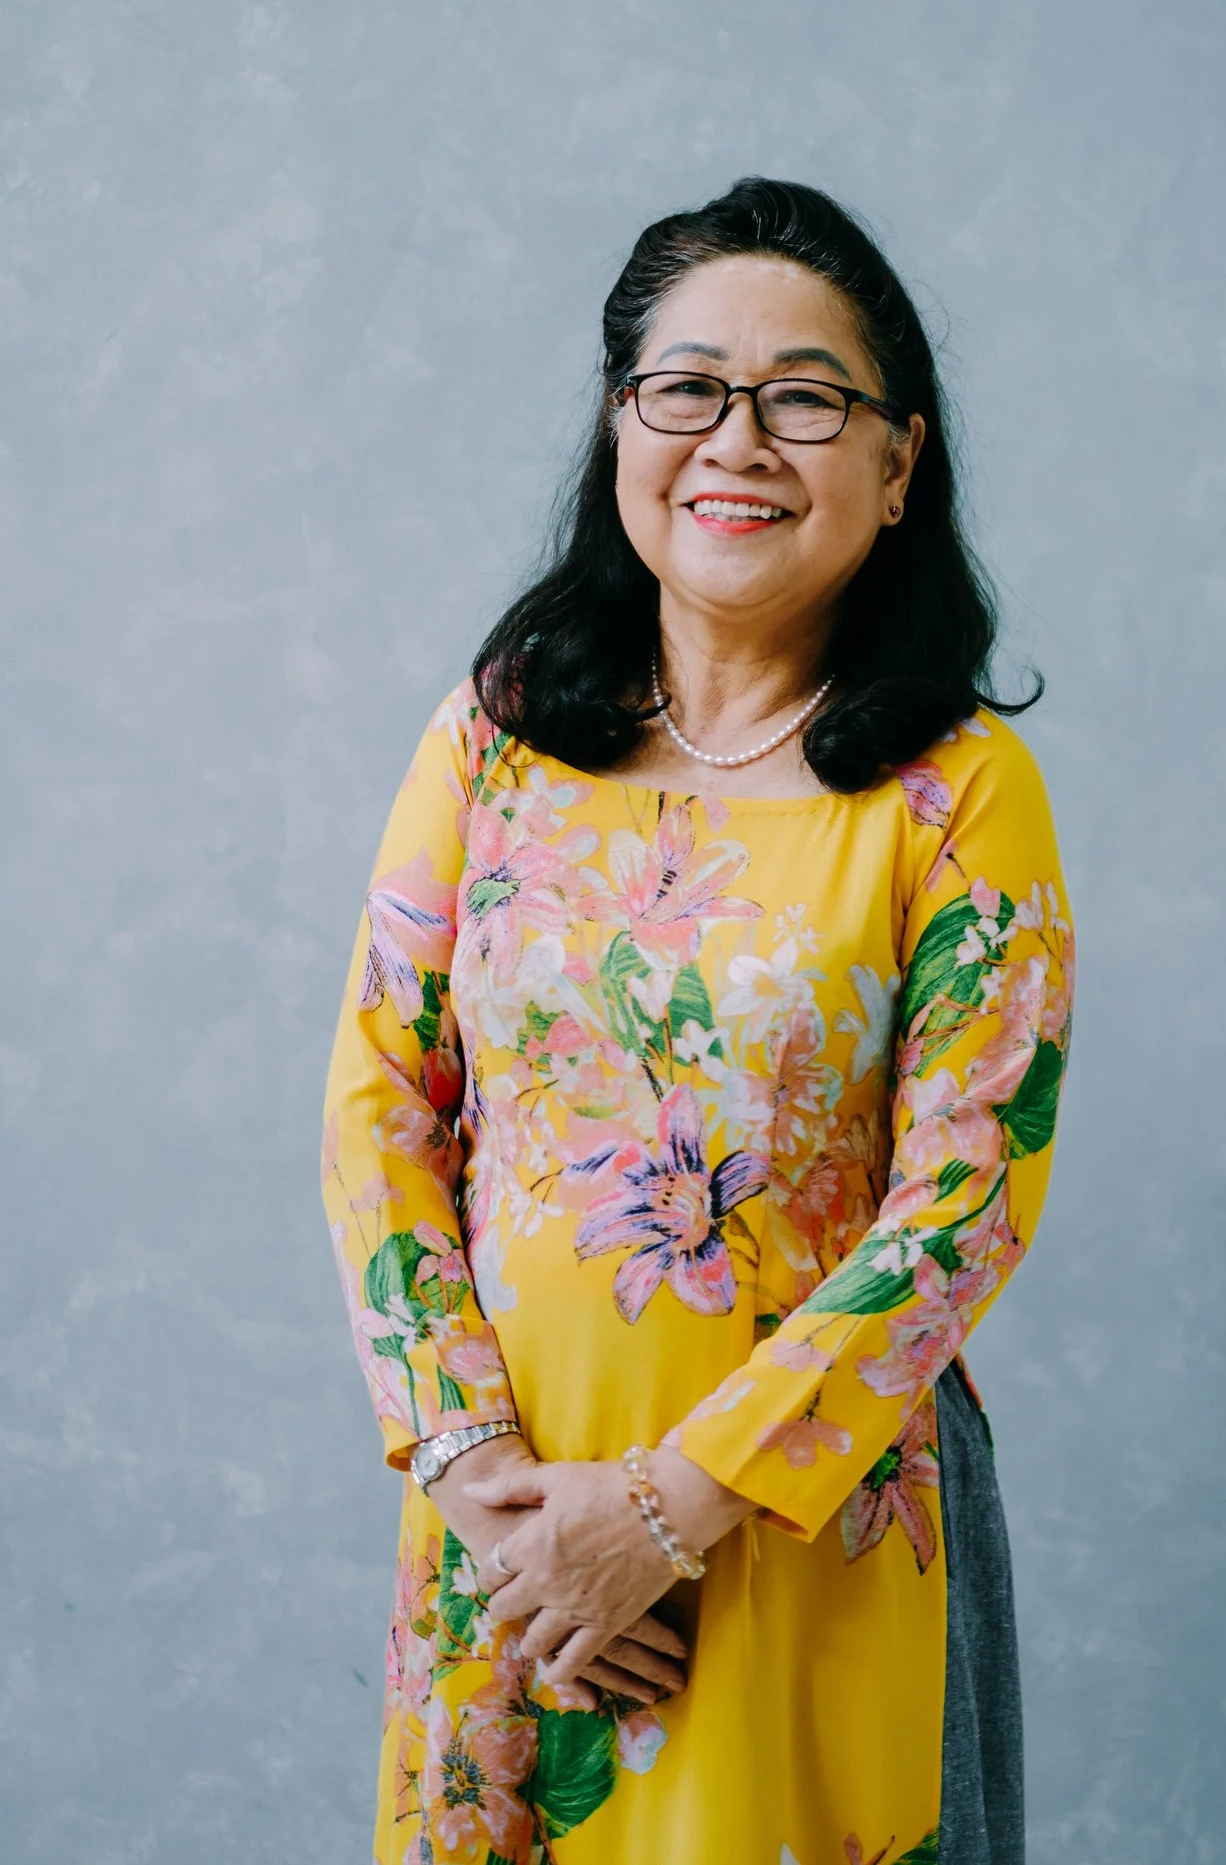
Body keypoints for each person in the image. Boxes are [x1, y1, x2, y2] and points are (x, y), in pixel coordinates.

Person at [321, 177, 1074, 1865]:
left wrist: (665, 1513)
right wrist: (489, 1494)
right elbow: (380, 1105)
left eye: (806, 399)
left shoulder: (960, 793)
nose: (738, 440)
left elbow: (964, 1205)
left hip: (801, 1529)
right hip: (508, 1544)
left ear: (898, 464)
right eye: (687, 388)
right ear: (621, 426)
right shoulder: (495, 741)